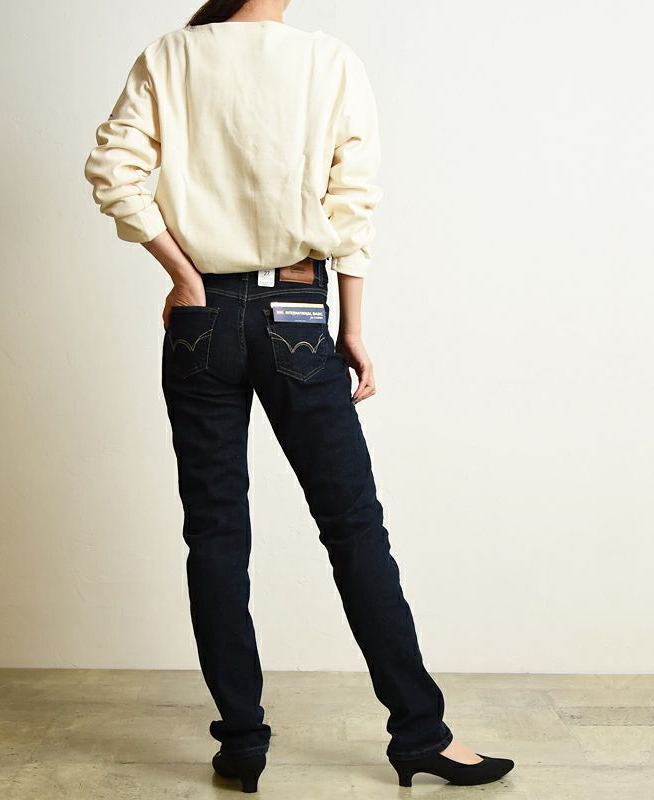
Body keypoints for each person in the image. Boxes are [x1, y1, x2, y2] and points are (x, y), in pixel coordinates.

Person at [84, 0, 515, 792]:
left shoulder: (171, 57)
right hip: (296, 311)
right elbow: (353, 207)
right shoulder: (328, 62)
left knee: (215, 533)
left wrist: (184, 277)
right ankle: (420, 734)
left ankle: (241, 742)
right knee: (353, 527)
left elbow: (112, 172)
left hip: (202, 318)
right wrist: (353, 326)